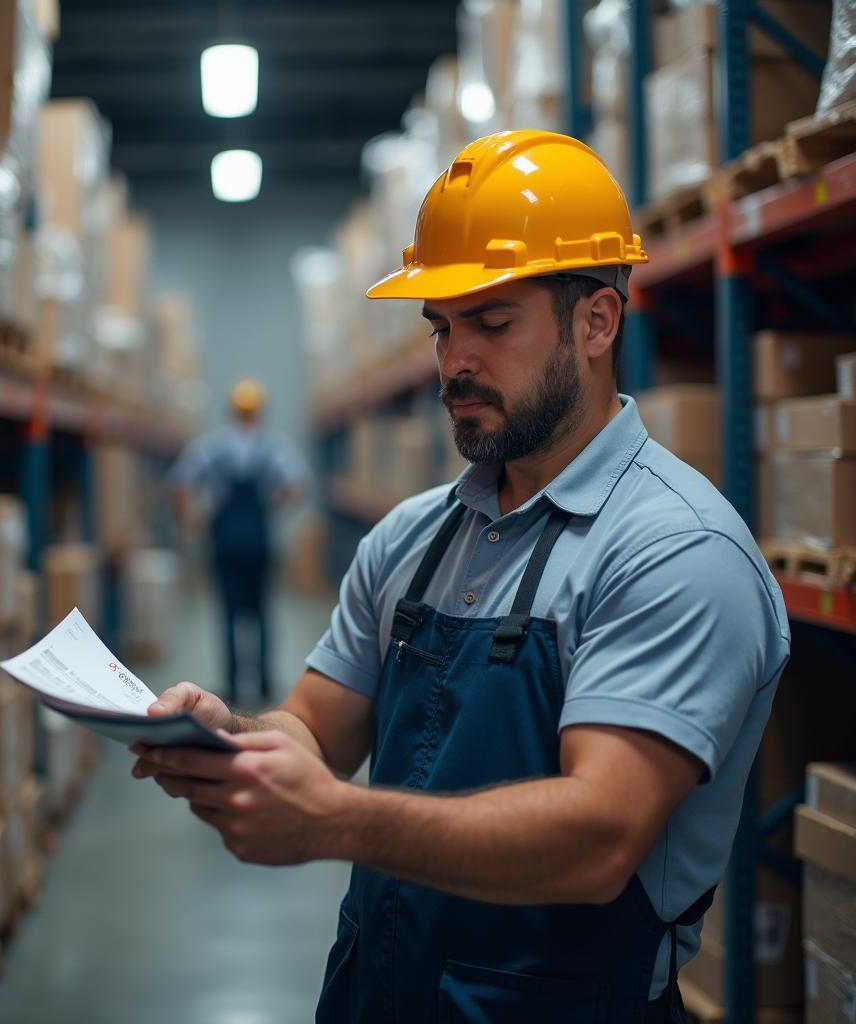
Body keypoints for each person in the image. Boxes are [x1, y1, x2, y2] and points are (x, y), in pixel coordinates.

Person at [135, 132, 790, 1022]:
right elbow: (316, 730)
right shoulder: (412, 538)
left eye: (492, 321)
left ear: (597, 322)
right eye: (443, 327)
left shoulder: (675, 551)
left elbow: (600, 837)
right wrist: (234, 742)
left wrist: (336, 820)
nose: (454, 363)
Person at [169, 378, 308, 702]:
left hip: (224, 540)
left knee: (229, 612)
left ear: (231, 410)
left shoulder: (212, 447)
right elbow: (298, 484)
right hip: (258, 540)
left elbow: (179, 483)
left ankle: (232, 685)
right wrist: (271, 510)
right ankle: (263, 684)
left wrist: (193, 520)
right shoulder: (273, 447)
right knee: (261, 611)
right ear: (260, 411)